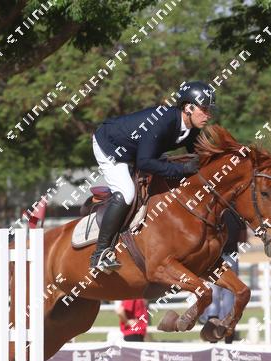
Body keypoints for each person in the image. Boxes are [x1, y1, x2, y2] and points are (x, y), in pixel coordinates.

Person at [90, 81, 217, 272]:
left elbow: (202, 159)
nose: (209, 115)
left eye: (209, 110)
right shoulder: (162, 122)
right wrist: (182, 169)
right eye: (204, 109)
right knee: (126, 192)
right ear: (188, 108)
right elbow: (145, 163)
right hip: (110, 146)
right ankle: (100, 253)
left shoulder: (192, 128)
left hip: (138, 151)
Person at [202, 210, 246, 343]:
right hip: (232, 257)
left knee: (213, 294)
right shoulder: (237, 214)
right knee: (230, 295)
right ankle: (229, 337)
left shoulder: (214, 211)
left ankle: (212, 338)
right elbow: (243, 238)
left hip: (215, 257)